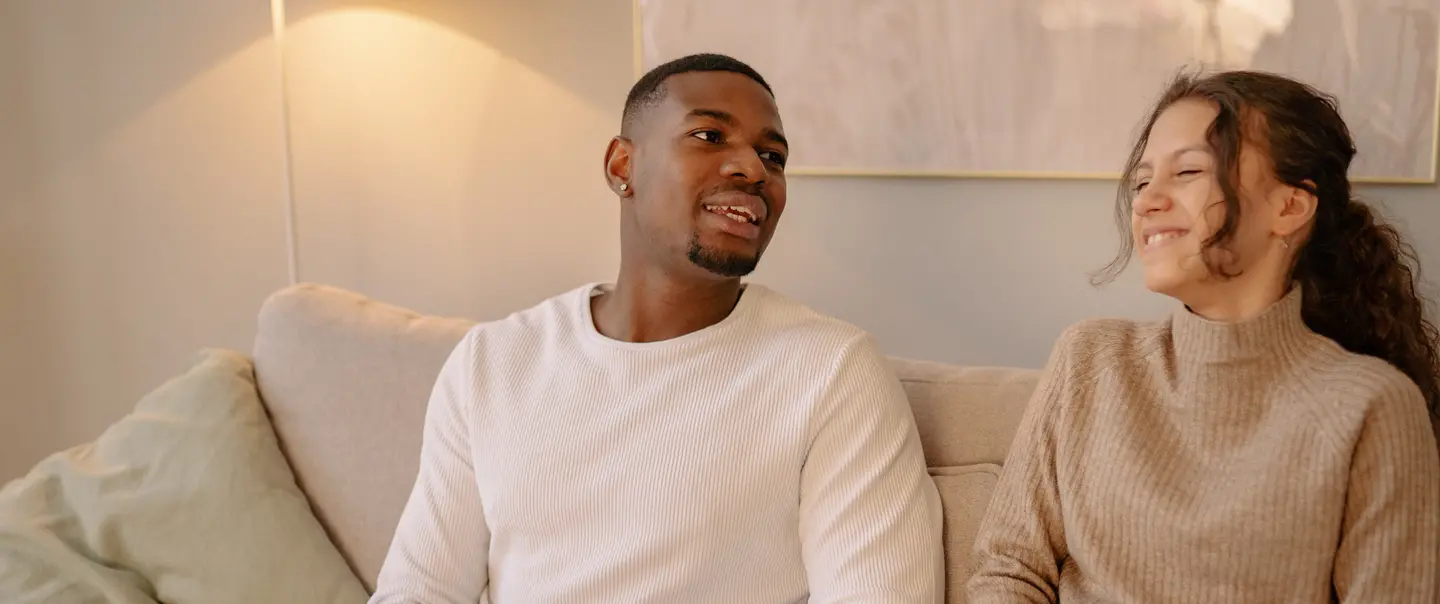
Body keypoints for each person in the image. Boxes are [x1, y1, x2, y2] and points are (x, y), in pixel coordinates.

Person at [368, 53, 943, 604]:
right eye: (709, 137)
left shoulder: (831, 371)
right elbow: (420, 590)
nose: (753, 169)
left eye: (773, 156)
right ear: (624, 167)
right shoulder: (492, 362)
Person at [967, 69, 1440, 602]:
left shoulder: (1371, 407)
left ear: (1290, 207)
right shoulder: (1089, 360)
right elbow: (1007, 570)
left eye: (1187, 171)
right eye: (1143, 181)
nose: (1146, 202)